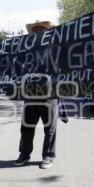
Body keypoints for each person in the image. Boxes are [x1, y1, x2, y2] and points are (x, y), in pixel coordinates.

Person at [13, 20, 68, 169]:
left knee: (50, 128)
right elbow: (10, 59)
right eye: (36, 30)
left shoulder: (56, 48)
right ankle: (24, 154)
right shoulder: (26, 51)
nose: (38, 33)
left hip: (50, 95)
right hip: (30, 95)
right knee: (26, 128)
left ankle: (48, 156)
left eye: (42, 30)